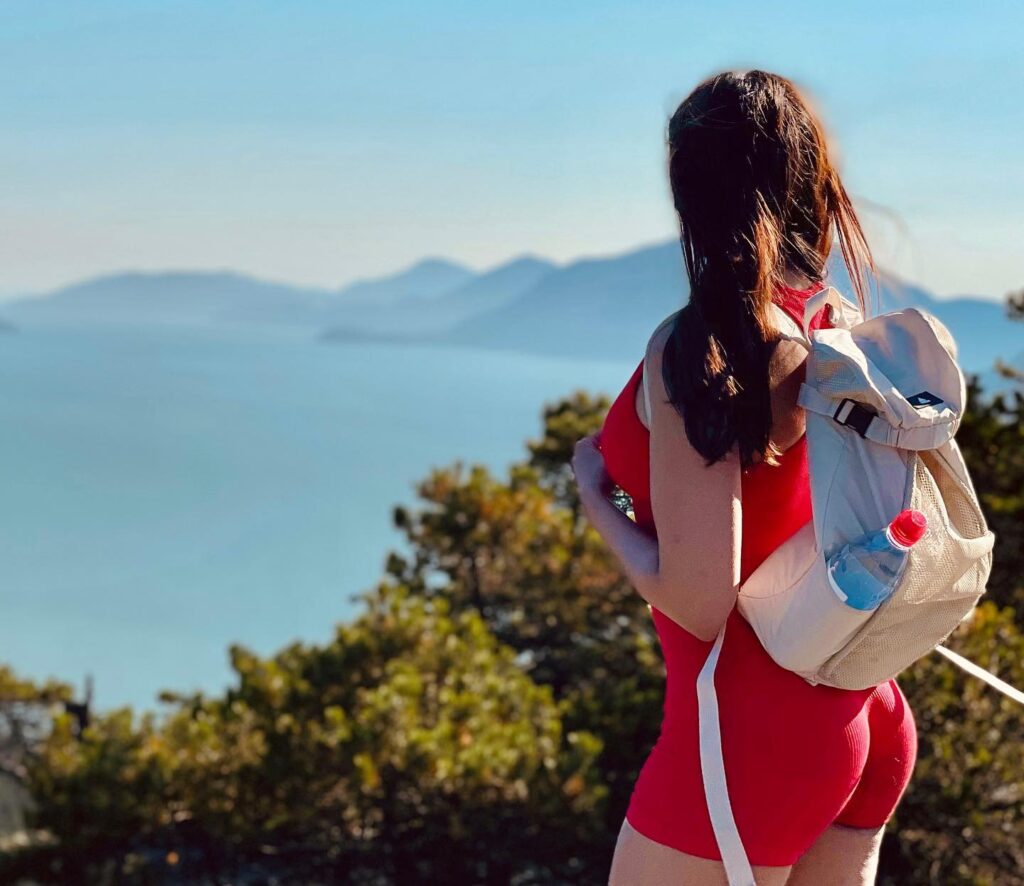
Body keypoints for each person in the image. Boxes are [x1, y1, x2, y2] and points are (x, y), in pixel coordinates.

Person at [570, 70, 917, 885]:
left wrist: (596, 499)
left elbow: (698, 598)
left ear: (693, 193)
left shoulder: (704, 349)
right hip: (861, 711)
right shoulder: (829, 320)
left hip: (745, 741)